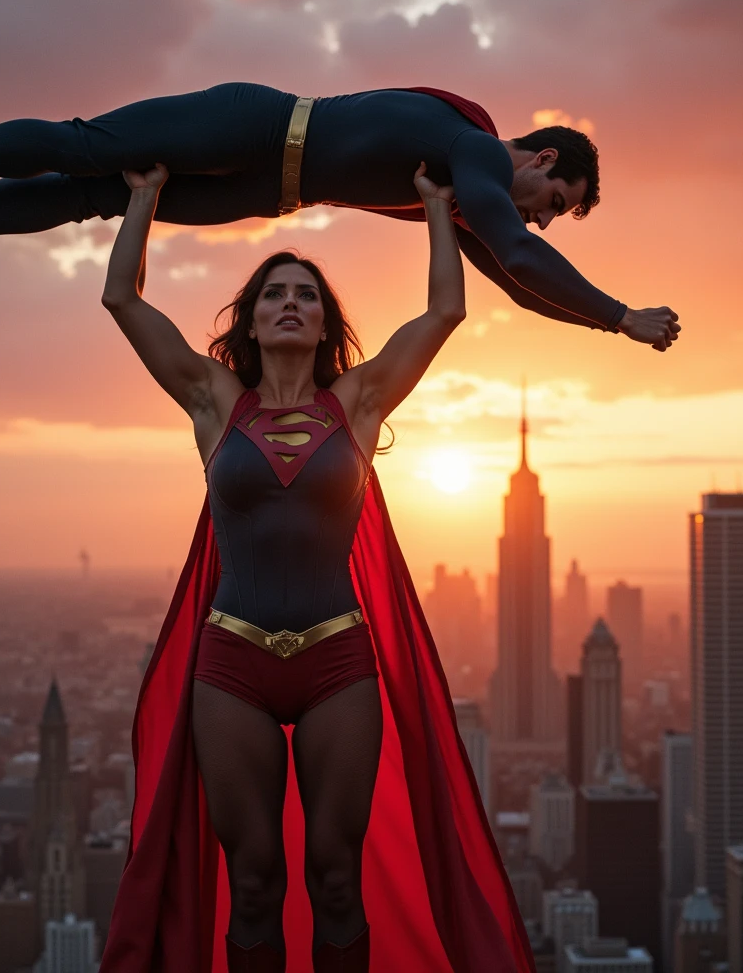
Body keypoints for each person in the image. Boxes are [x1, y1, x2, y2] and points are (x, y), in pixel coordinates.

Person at [95, 158, 535, 973]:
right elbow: (122, 298)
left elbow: (446, 307)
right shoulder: (212, 399)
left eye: (305, 294)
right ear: (252, 322)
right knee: (255, 883)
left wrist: (438, 204)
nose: (290, 303)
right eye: (274, 293)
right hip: (231, 666)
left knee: (337, 881)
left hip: (340, 663)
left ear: (324, 323)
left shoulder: (360, 404)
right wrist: (145, 195)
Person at [0, 77, 680, 353]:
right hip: (258, 124)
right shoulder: (473, 146)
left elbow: (521, 284)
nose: (539, 218)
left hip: (262, 192)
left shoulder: (463, 198)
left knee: (99, 195)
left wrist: (609, 326)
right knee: (91, 147)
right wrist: (623, 312)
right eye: (555, 202)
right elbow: (525, 256)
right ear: (541, 159)